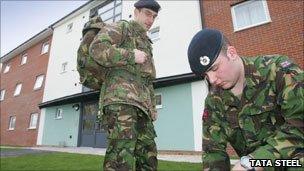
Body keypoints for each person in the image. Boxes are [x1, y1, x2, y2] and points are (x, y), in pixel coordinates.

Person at [187, 28, 304, 171]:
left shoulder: (279, 70)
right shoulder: (214, 101)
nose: (212, 80)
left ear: (232, 53)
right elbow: (213, 151)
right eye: (205, 75)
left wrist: (255, 162)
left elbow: (299, 127)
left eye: (215, 68)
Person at [87, 0, 161, 170]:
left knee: (149, 158)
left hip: (143, 107)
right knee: (121, 159)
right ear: (136, 12)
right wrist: (130, 56)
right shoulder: (122, 28)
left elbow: (147, 79)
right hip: (121, 101)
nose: (151, 20)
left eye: (154, 16)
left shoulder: (147, 43)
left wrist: (152, 107)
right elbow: (97, 49)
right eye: (147, 14)